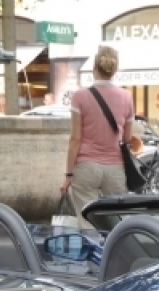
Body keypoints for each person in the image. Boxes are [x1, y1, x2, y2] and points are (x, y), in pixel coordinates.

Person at [62, 45, 137, 225]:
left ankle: (93, 252)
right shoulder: (126, 97)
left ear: (94, 68)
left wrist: (68, 175)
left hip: (86, 167)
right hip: (115, 169)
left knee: (87, 223)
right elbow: (127, 140)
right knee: (116, 223)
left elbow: (75, 139)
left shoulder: (80, 96)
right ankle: (114, 252)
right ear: (114, 70)